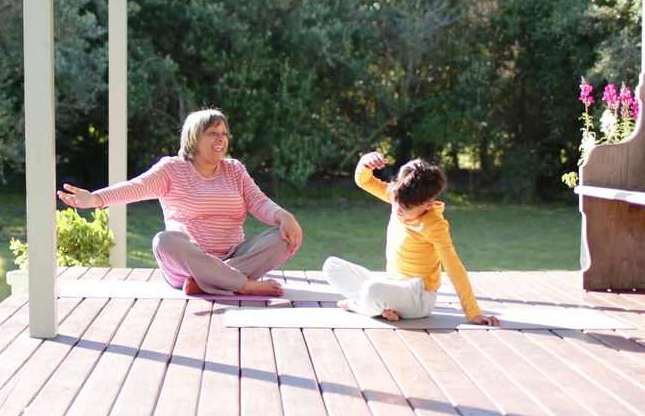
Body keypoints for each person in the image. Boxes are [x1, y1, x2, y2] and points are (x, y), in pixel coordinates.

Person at [56, 108, 302, 296]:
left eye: (224, 134)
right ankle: (242, 284)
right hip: (187, 262)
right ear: (194, 138)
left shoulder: (234, 170)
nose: (221, 140)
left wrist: (283, 216)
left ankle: (211, 280)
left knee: (283, 237)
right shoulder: (172, 169)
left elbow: (258, 201)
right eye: (213, 133)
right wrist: (96, 198)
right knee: (164, 241)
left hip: (233, 255)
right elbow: (136, 187)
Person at [322, 152, 500, 325]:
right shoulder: (399, 195)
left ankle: (361, 306)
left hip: (419, 297)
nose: (398, 210)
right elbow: (364, 180)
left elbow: (454, 267)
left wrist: (473, 313)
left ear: (427, 205)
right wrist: (365, 163)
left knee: (372, 290)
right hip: (390, 284)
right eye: (396, 203)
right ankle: (379, 307)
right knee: (332, 266)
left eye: (405, 208)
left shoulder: (435, 226)